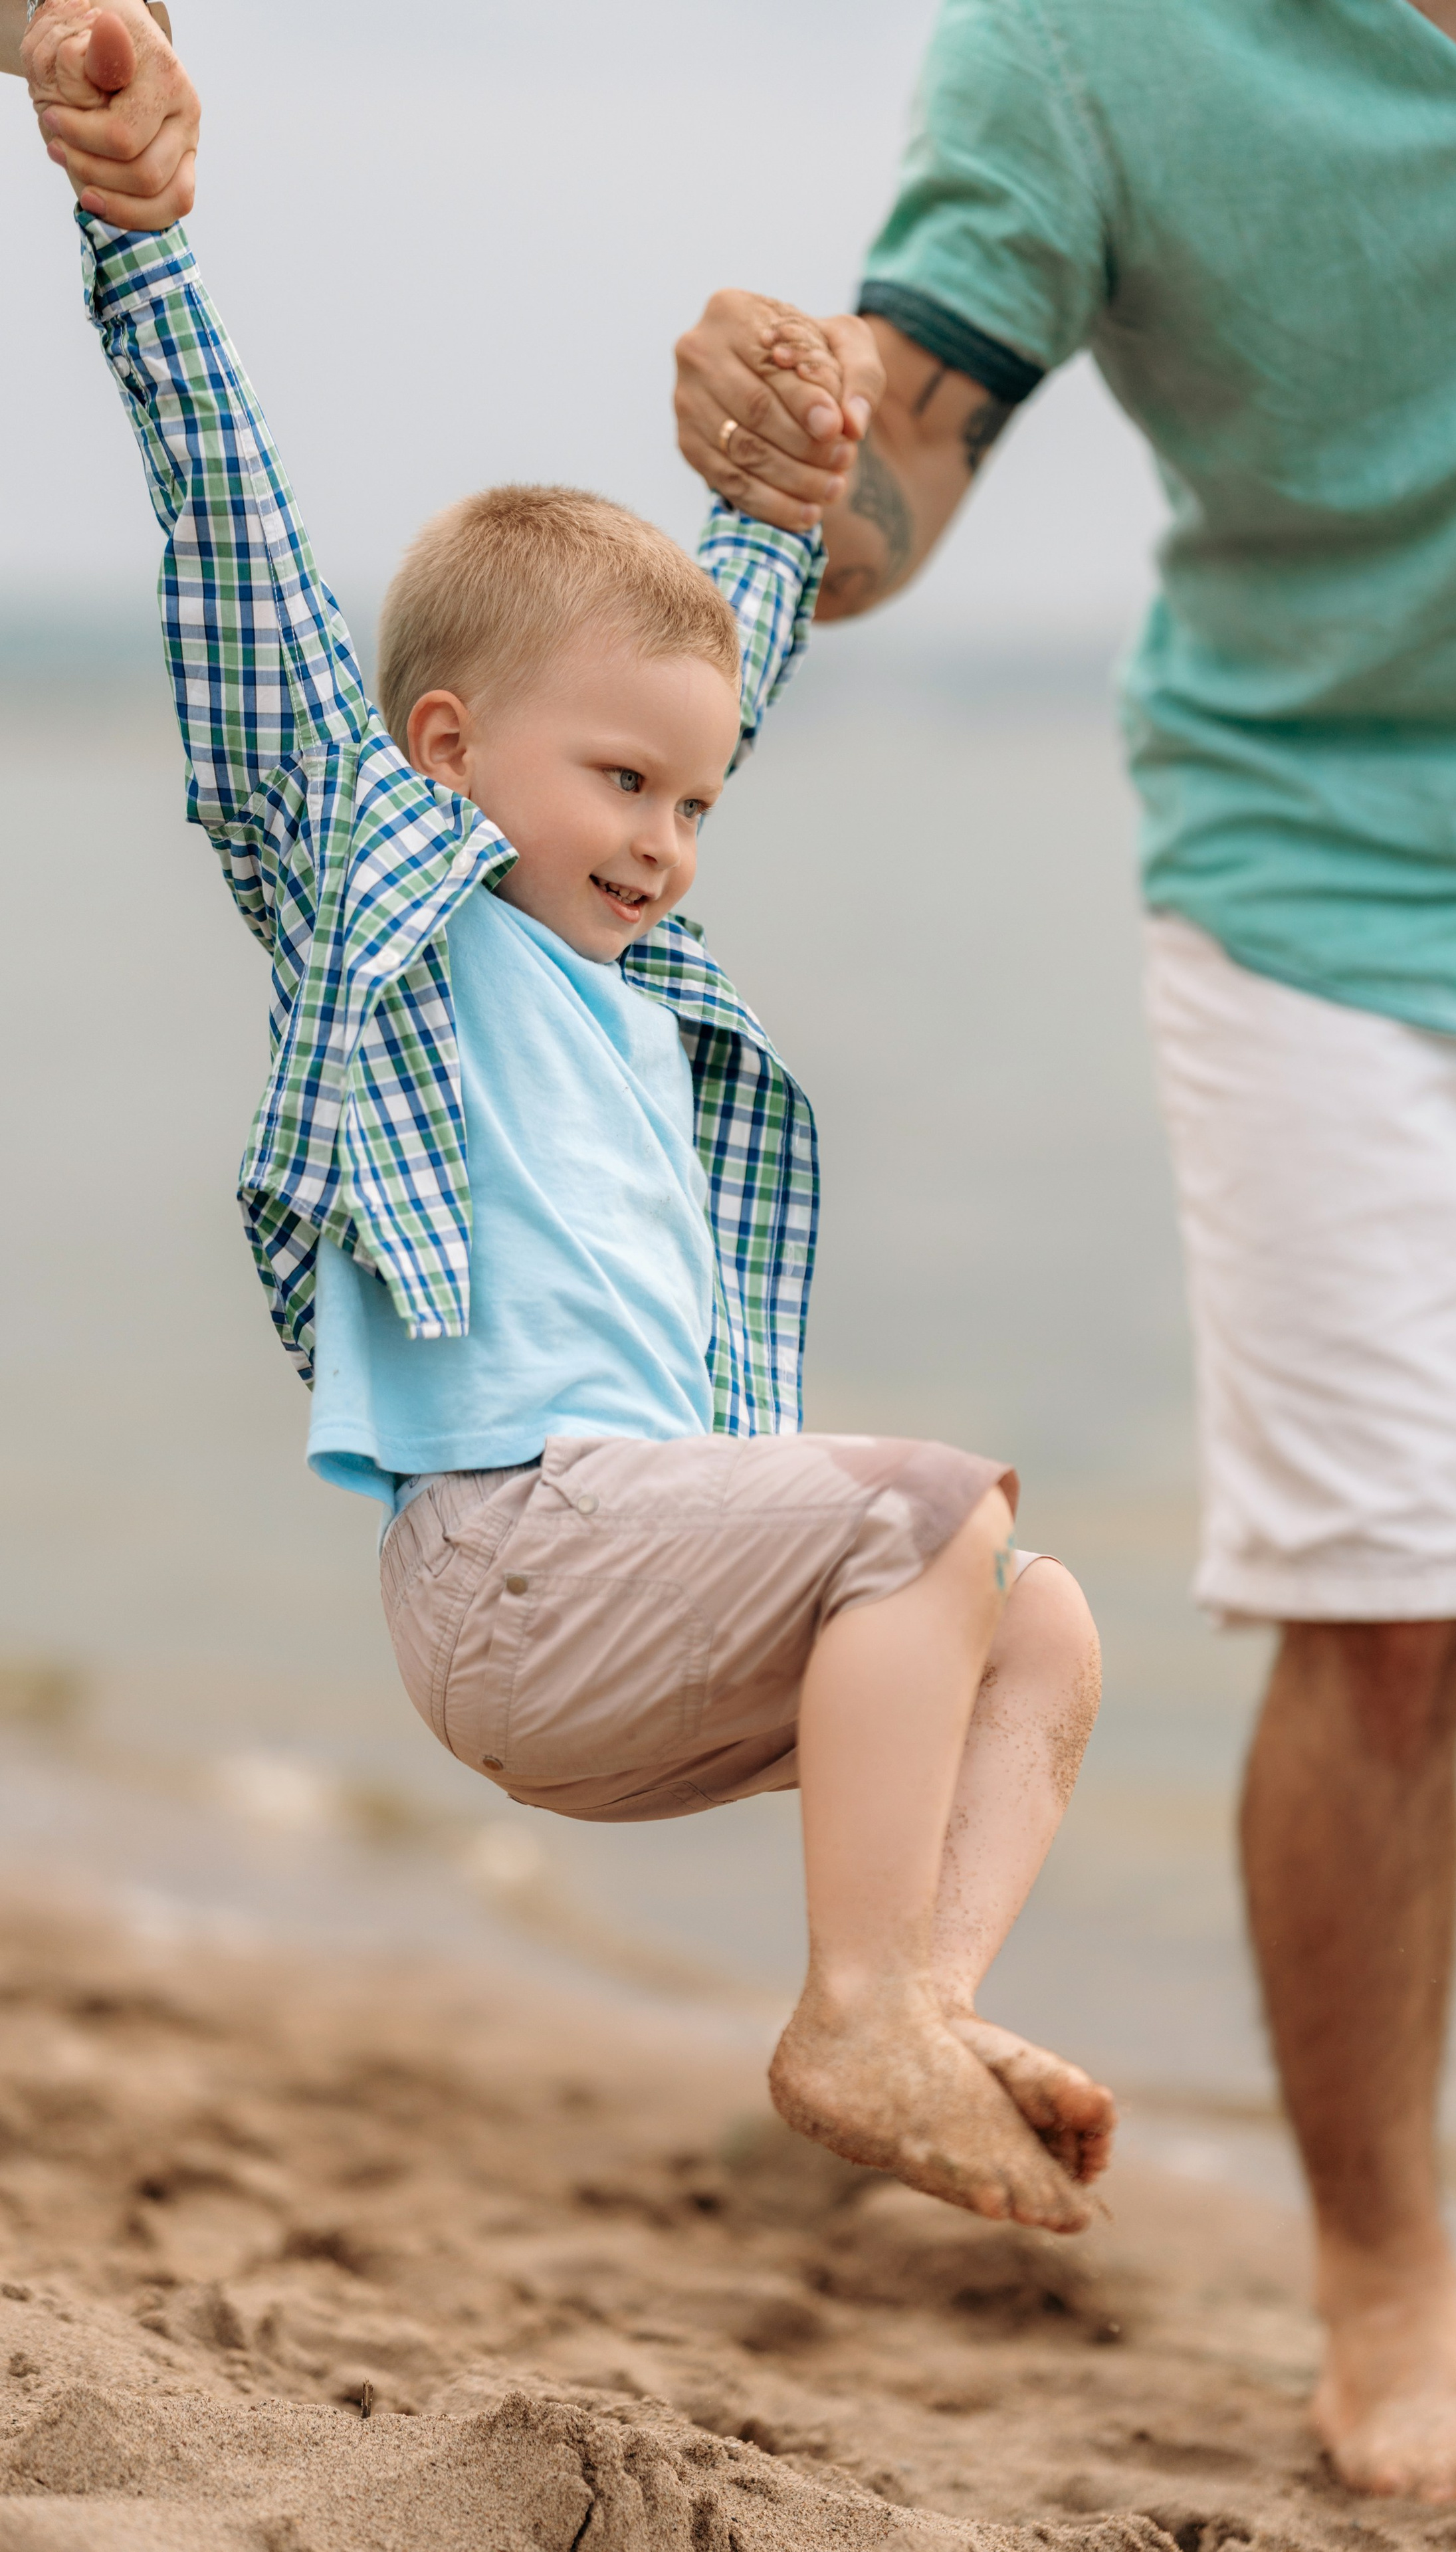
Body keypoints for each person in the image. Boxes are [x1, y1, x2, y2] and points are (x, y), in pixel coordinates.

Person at [673, 0, 1456, 2512]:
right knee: (1390, 1617)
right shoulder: (1080, 41)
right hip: (1330, 897)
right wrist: (799, 457)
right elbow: (900, 470)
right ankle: (1391, 2309)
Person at [21, 0, 1115, 2237]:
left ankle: (908, 2000)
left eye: (696, 803)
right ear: (435, 748)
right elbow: (230, 527)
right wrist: (139, 239)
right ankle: (856, 2001)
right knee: (932, 1507)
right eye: (621, 790)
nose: (668, 843)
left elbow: (725, 650)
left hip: (640, 1589)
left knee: (1050, 1618)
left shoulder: (641, 990)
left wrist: (791, 499)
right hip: (515, 1567)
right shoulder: (381, 892)